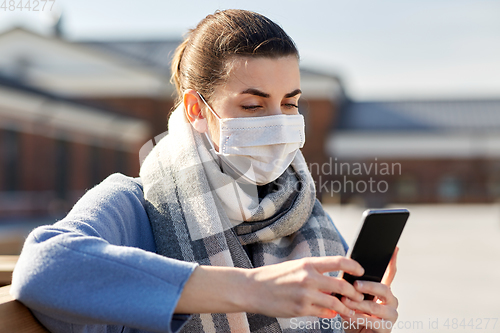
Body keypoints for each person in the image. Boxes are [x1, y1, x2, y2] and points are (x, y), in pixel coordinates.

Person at [10, 9, 399, 333]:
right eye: (253, 106)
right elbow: (43, 268)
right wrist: (250, 289)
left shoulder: (302, 211)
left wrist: (359, 326)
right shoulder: (135, 205)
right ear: (197, 110)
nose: (278, 122)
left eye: (290, 104)